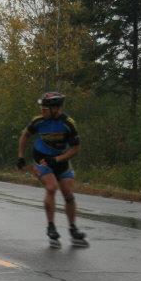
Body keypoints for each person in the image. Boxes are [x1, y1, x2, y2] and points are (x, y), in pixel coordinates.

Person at [17, 91, 87, 247]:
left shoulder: (68, 123)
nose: (42, 111)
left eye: (45, 109)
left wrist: (57, 159)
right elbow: (24, 136)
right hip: (42, 159)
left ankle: (73, 229)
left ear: (56, 109)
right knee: (51, 188)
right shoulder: (38, 121)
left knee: (68, 194)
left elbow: (76, 149)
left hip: (60, 160)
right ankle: (51, 227)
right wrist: (21, 156)